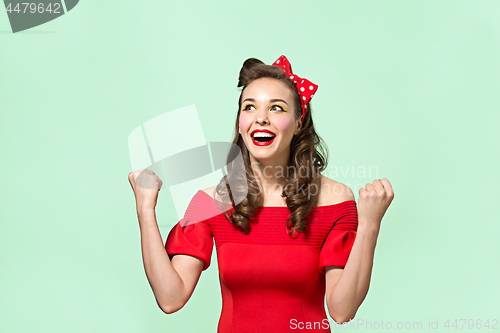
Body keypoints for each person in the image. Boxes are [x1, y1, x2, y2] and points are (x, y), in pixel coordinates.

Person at [128, 55, 394, 332]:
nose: (261, 118)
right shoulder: (211, 202)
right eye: (250, 107)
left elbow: (342, 310)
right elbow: (171, 298)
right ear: (240, 122)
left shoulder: (334, 199)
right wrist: (145, 211)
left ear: (299, 121)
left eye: (277, 108)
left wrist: (369, 226)